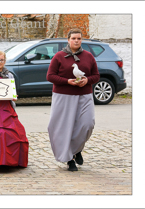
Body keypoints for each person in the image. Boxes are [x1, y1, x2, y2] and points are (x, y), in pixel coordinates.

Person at [46, 28, 100, 171]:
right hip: (63, 96)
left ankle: (76, 149)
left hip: (84, 95)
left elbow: (96, 76)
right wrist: (67, 81)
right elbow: (50, 76)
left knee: (87, 124)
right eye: (74, 38)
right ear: (68, 40)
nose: (76, 41)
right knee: (64, 127)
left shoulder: (88, 56)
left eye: (79, 38)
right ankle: (69, 159)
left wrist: (87, 80)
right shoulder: (59, 56)